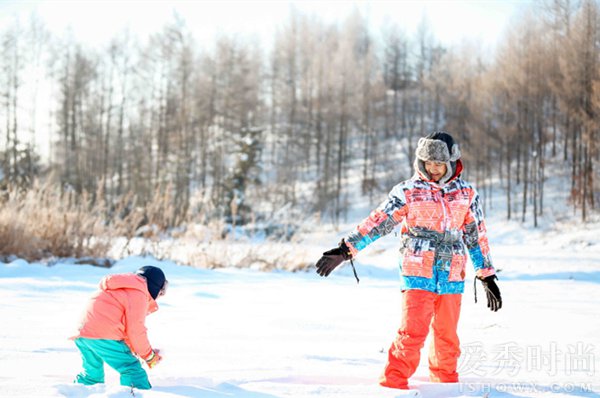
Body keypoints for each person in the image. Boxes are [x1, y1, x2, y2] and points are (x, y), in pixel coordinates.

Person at [315, 131, 502, 389]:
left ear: (451, 163)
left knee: (447, 336)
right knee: (412, 332)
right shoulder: (409, 191)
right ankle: (393, 384)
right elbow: (378, 222)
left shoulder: (466, 194)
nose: (433, 169)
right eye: (428, 163)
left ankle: (446, 386)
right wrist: (346, 250)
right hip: (418, 271)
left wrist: (486, 274)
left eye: (439, 164)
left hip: (452, 274)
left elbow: (476, 235)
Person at [72, 265, 168, 390]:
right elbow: (135, 331)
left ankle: (75, 393)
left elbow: (124, 330)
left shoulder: (121, 286)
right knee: (132, 370)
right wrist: (149, 356)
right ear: (155, 288)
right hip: (103, 335)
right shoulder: (139, 294)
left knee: (92, 376)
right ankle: (135, 394)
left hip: (83, 333)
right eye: (161, 293)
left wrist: (137, 351)